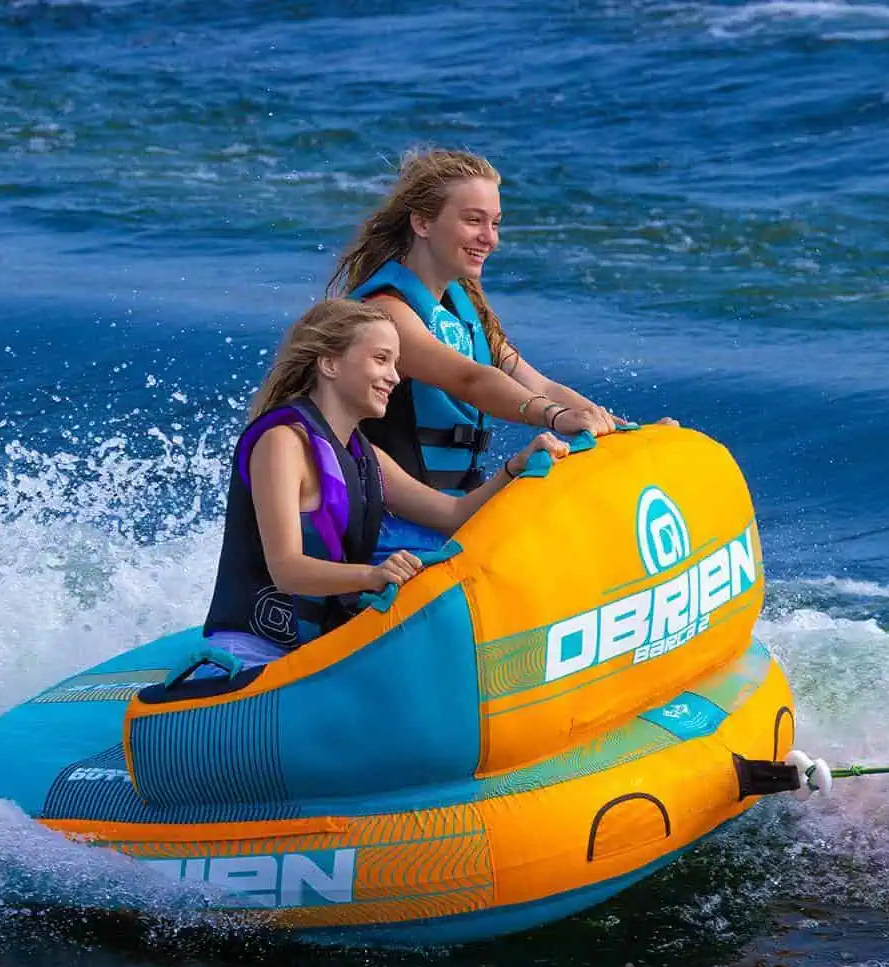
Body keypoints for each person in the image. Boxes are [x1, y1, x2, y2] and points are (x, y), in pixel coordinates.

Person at [198, 299, 567, 675]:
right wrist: (372, 575)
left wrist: (515, 467)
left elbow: (453, 514)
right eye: (381, 359)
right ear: (329, 364)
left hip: (316, 650)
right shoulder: (283, 444)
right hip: (252, 653)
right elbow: (286, 569)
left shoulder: (365, 457)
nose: (394, 376)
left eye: (396, 363)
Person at [329, 149, 665, 517]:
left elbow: (538, 384)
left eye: (495, 223)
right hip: (392, 524)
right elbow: (469, 379)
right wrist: (554, 417)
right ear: (422, 224)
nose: (490, 239)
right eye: (474, 220)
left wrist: (612, 427)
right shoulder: (387, 312)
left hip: (459, 509)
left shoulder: (463, 306)